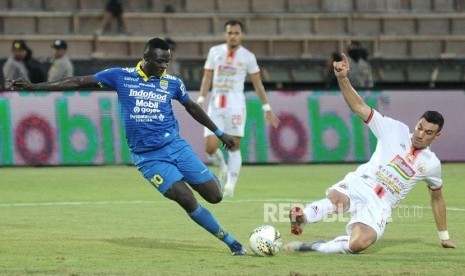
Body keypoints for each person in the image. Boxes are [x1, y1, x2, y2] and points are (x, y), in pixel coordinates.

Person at [7, 38, 247, 256]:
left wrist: (219, 132)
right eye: (159, 61)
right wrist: (36, 86)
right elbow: (79, 81)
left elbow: (192, 107)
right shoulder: (120, 76)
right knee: (185, 199)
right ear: (145, 58)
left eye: (167, 61)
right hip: (148, 158)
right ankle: (231, 242)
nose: (164, 66)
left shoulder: (172, 83)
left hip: (175, 146)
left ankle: (209, 178)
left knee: (215, 196)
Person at [284, 52, 457, 254]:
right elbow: (359, 106)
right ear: (416, 123)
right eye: (419, 127)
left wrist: (444, 236)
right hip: (362, 182)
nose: (420, 134)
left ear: (437, 136)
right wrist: (343, 78)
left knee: (359, 243)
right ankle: (304, 217)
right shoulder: (394, 129)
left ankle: (314, 247)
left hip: (382, 202)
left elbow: (437, 198)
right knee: (337, 199)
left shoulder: (431, 164)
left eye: (428, 132)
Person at [197, 19, 280, 197]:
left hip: (235, 105)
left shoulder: (248, 57)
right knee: (210, 147)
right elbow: (207, 76)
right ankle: (222, 167)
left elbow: (258, 85)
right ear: (225, 34)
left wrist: (266, 107)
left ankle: (230, 186)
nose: (233, 36)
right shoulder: (215, 52)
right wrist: (202, 97)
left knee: (233, 146)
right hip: (216, 103)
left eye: (236, 33)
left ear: (241, 35)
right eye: (229, 33)